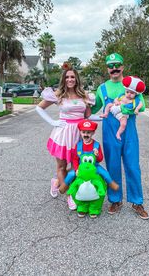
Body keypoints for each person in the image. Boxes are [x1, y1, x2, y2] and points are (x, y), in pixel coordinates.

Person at [91, 53, 149, 220]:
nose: (114, 69)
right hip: (110, 135)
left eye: (117, 65)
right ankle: (115, 200)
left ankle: (137, 202)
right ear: (107, 69)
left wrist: (123, 109)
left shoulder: (132, 85)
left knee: (133, 166)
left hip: (129, 133)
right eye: (111, 66)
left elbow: (142, 106)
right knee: (113, 166)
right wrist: (76, 110)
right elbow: (94, 109)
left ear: (122, 67)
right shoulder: (102, 88)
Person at [35, 62, 94, 209]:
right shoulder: (58, 94)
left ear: (77, 79)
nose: (70, 79)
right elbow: (39, 107)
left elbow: (88, 117)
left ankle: (56, 182)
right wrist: (53, 122)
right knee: (61, 166)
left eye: (73, 77)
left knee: (79, 166)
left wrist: (105, 116)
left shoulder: (84, 95)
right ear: (64, 79)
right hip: (62, 134)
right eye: (67, 77)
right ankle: (69, 195)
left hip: (79, 134)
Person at [59, 119, 119, 194]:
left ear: (93, 133)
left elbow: (100, 159)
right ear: (80, 132)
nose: (86, 134)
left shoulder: (96, 145)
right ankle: (64, 186)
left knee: (104, 173)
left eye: (88, 132)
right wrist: (77, 169)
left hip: (94, 166)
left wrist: (97, 155)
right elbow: (74, 159)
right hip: (81, 167)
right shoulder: (78, 145)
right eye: (83, 132)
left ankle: (111, 183)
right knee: (71, 174)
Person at [100, 76, 145, 140]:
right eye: (127, 92)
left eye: (132, 93)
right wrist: (116, 102)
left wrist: (137, 109)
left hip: (122, 115)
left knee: (123, 124)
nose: (129, 94)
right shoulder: (122, 95)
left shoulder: (135, 100)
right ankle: (106, 114)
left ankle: (118, 133)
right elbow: (116, 99)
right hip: (115, 108)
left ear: (136, 94)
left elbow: (141, 104)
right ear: (125, 91)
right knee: (109, 104)